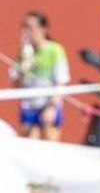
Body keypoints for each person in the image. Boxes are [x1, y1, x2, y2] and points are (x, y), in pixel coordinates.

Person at [12, 11, 70, 140]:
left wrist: (52, 107)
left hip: (48, 104)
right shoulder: (23, 52)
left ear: (43, 29)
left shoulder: (55, 50)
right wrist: (23, 66)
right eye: (24, 27)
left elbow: (61, 81)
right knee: (30, 145)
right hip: (29, 106)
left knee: (50, 145)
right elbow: (16, 85)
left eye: (30, 27)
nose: (26, 32)